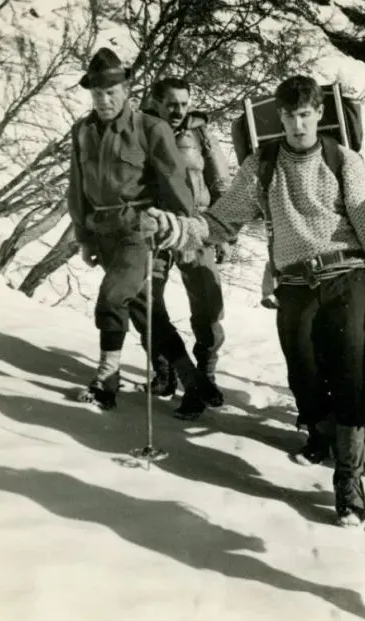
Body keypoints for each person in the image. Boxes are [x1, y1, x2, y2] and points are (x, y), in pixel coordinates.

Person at [201, 75, 365, 528]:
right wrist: (186, 229)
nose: (297, 125)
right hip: (293, 283)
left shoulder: (343, 160)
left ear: (320, 114)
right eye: (289, 116)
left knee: (350, 373)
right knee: (304, 372)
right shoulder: (263, 163)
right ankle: (326, 434)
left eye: (305, 115)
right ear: (280, 117)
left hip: (345, 274)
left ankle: (349, 482)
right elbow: (225, 216)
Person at [67, 48, 218, 413]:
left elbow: (176, 183)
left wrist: (181, 232)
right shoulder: (82, 131)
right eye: (98, 94)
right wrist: (84, 238)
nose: (104, 101)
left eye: (112, 93)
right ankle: (193, 381)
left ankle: (106, 381)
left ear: (127, 93)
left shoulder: (152, 129)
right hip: (103, 233)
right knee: (145, 312)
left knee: (113, 297)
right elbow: (77, 187)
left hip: (140, 231)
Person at [145, 77, 230, 415]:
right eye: (171, 103)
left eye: (183, 103)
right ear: (156, 102)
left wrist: (224, 233)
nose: (178, 110)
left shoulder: (200, 133)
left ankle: (205, 378)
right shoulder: (142, 131)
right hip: (155, 229)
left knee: (208, 307)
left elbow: (220, 181)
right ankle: (166, 371)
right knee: (148, 304)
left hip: (196, 228)